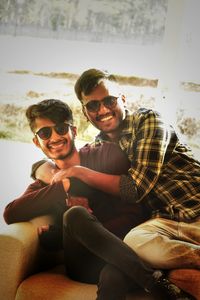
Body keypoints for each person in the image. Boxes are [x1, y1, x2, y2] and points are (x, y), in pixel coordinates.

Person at [3, 99, 191, 300]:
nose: (55, 137)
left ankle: (158, 286)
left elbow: (135, 213)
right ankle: (155, 283)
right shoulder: (45, 182)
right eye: (44, 133)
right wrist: (63, 187)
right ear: (36, 141)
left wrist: (90, 231)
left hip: (124, 255)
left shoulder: (106, 155)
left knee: (113, 276)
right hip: (82, 263)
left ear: (74, 131)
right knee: (75, 214)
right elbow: (11, 212)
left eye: (60, 128)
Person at [42, 69, 200, 299]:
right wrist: (39, 167)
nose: (103, 110)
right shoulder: (100, 148)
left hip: (195, 209)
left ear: (122, 99)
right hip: (162, 221)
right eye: (93, 106)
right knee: (134, 243)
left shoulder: (148, 121)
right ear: (85, 113)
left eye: (109, 100)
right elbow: (63, 161)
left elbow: (135, 189)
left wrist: (80, 172)